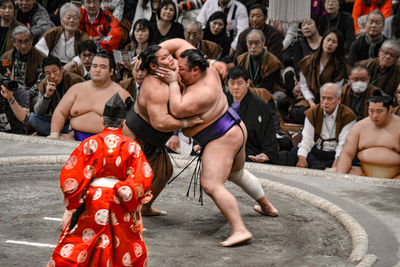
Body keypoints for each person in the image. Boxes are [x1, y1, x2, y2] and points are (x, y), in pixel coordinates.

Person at [156, 38, 278, 246]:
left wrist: (173, 82)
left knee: (211, 184)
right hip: (235, 130)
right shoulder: (208, 68)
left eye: (182, 69)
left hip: (221, 138)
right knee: (236, 174)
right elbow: (178, 42)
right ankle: (266, 205)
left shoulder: (202, 91)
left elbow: (177, 109)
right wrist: (155, 52)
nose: (177, 70)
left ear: (195, 71)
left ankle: (240, 229)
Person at [48, 93, 153, 266]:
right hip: (120, 199)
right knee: (123, 244)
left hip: (93, 198)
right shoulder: (132, 146)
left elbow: (71, 176)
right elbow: (143, 177)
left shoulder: (90, 143)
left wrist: (74, 204)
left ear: (103, 121)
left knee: (82, 242)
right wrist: (130, 197)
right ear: (123, 122)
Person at [122, 45, 202, 216]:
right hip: (136, 137)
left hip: (153, 138)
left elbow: (179, 43)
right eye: (164, 57)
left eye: (169, 55)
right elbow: (160, 122)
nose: (171, 59)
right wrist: (188, 122)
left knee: (163, 173)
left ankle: (144, 207)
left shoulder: (170, 76)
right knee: (129, 178)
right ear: (153, 66)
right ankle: (114, 210)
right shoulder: (156, 88)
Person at [49, 51, 131, 141]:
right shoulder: (77, 89)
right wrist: (54, 134)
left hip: (106, 141)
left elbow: (130, 123)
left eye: (102, 67)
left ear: (111, 71)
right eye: (94, 66)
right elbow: (60, 111)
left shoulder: (120, 94)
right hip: (75, 137)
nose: (97, 70)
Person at [334, 90, 400, 179]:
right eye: (371, 111)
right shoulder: (359, 127)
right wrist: (340, 176)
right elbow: (347, 154)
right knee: (332, 173)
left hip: (396, 177)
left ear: (390, 108)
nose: (374, 116)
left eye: (379, 111)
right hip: (364, 174)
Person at [291, 83, 356, 170]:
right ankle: (320, 167)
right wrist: (302, 158)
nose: (325, 102)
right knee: (295, 152)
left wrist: (337, 163)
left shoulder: (348, 116)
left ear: (339, 99)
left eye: (329, 99)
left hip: (334, 154)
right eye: (323, 98)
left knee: (352, 158)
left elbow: (343, 144)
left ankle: (320, 167)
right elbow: (307, 139)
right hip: (317, 152)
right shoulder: (313, 112)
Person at [226, 66, 282, 164]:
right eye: (232, 83)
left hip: (249, 151)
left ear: (248, 83)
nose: (235, 87)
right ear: (227, 84)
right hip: (223, 149)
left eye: (239, 83)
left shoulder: (259, 105)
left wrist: (266, 153)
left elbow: (269, 133)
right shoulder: (220, 101)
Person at [29, 56, 85, 136]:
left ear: (62, 69)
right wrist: (46, 96)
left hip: (75, 121)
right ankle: (61, 134)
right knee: (33, 118)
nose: (52, 76)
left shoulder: (75, 80)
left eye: (55, 71)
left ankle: (59, 133)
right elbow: (38, 111)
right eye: (48, 73)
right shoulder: (45, 83)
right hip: (58, 121)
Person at [297, 28, 349, 112]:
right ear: (322, 41)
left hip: (330, 101)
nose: (330, 44)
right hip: (311, 99)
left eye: (334, 42)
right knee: (299, 112)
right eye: (328, 40)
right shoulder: (309, 61)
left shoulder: (341, 65)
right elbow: (304, 86)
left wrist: (325, 102)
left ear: (338, 45)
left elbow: (336, 88)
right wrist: (312, 103)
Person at [236, 29, 283, 95]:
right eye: (250, 43)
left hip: (267, 93)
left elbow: (267, 86)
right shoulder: (240, 59)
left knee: (280, 96)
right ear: (246, 44)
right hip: (245, 92)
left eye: (257, 43)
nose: (253, 46)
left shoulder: (273, 62)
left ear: (263, 43)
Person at [1, 25, 45, 90]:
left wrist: (29, 94)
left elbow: (41, 82)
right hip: (10, 91)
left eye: (27, 41)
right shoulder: (6, 57)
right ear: (13, 42)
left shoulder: (41, 58)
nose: (23, 46)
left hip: (31, 93)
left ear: (32, 40)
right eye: (19, 42)